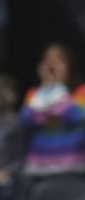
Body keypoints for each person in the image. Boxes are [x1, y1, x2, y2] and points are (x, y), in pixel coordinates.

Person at [20, 43, 85, 176]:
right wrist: (47, 89)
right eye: (47, 59)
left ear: (69, 65)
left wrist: (55, 89)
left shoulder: (81, 91)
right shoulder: (34, 93)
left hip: (74, 166)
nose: (52, 63)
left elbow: (75, 116)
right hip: (39, 167)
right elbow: (28, 119)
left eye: (59, 59)